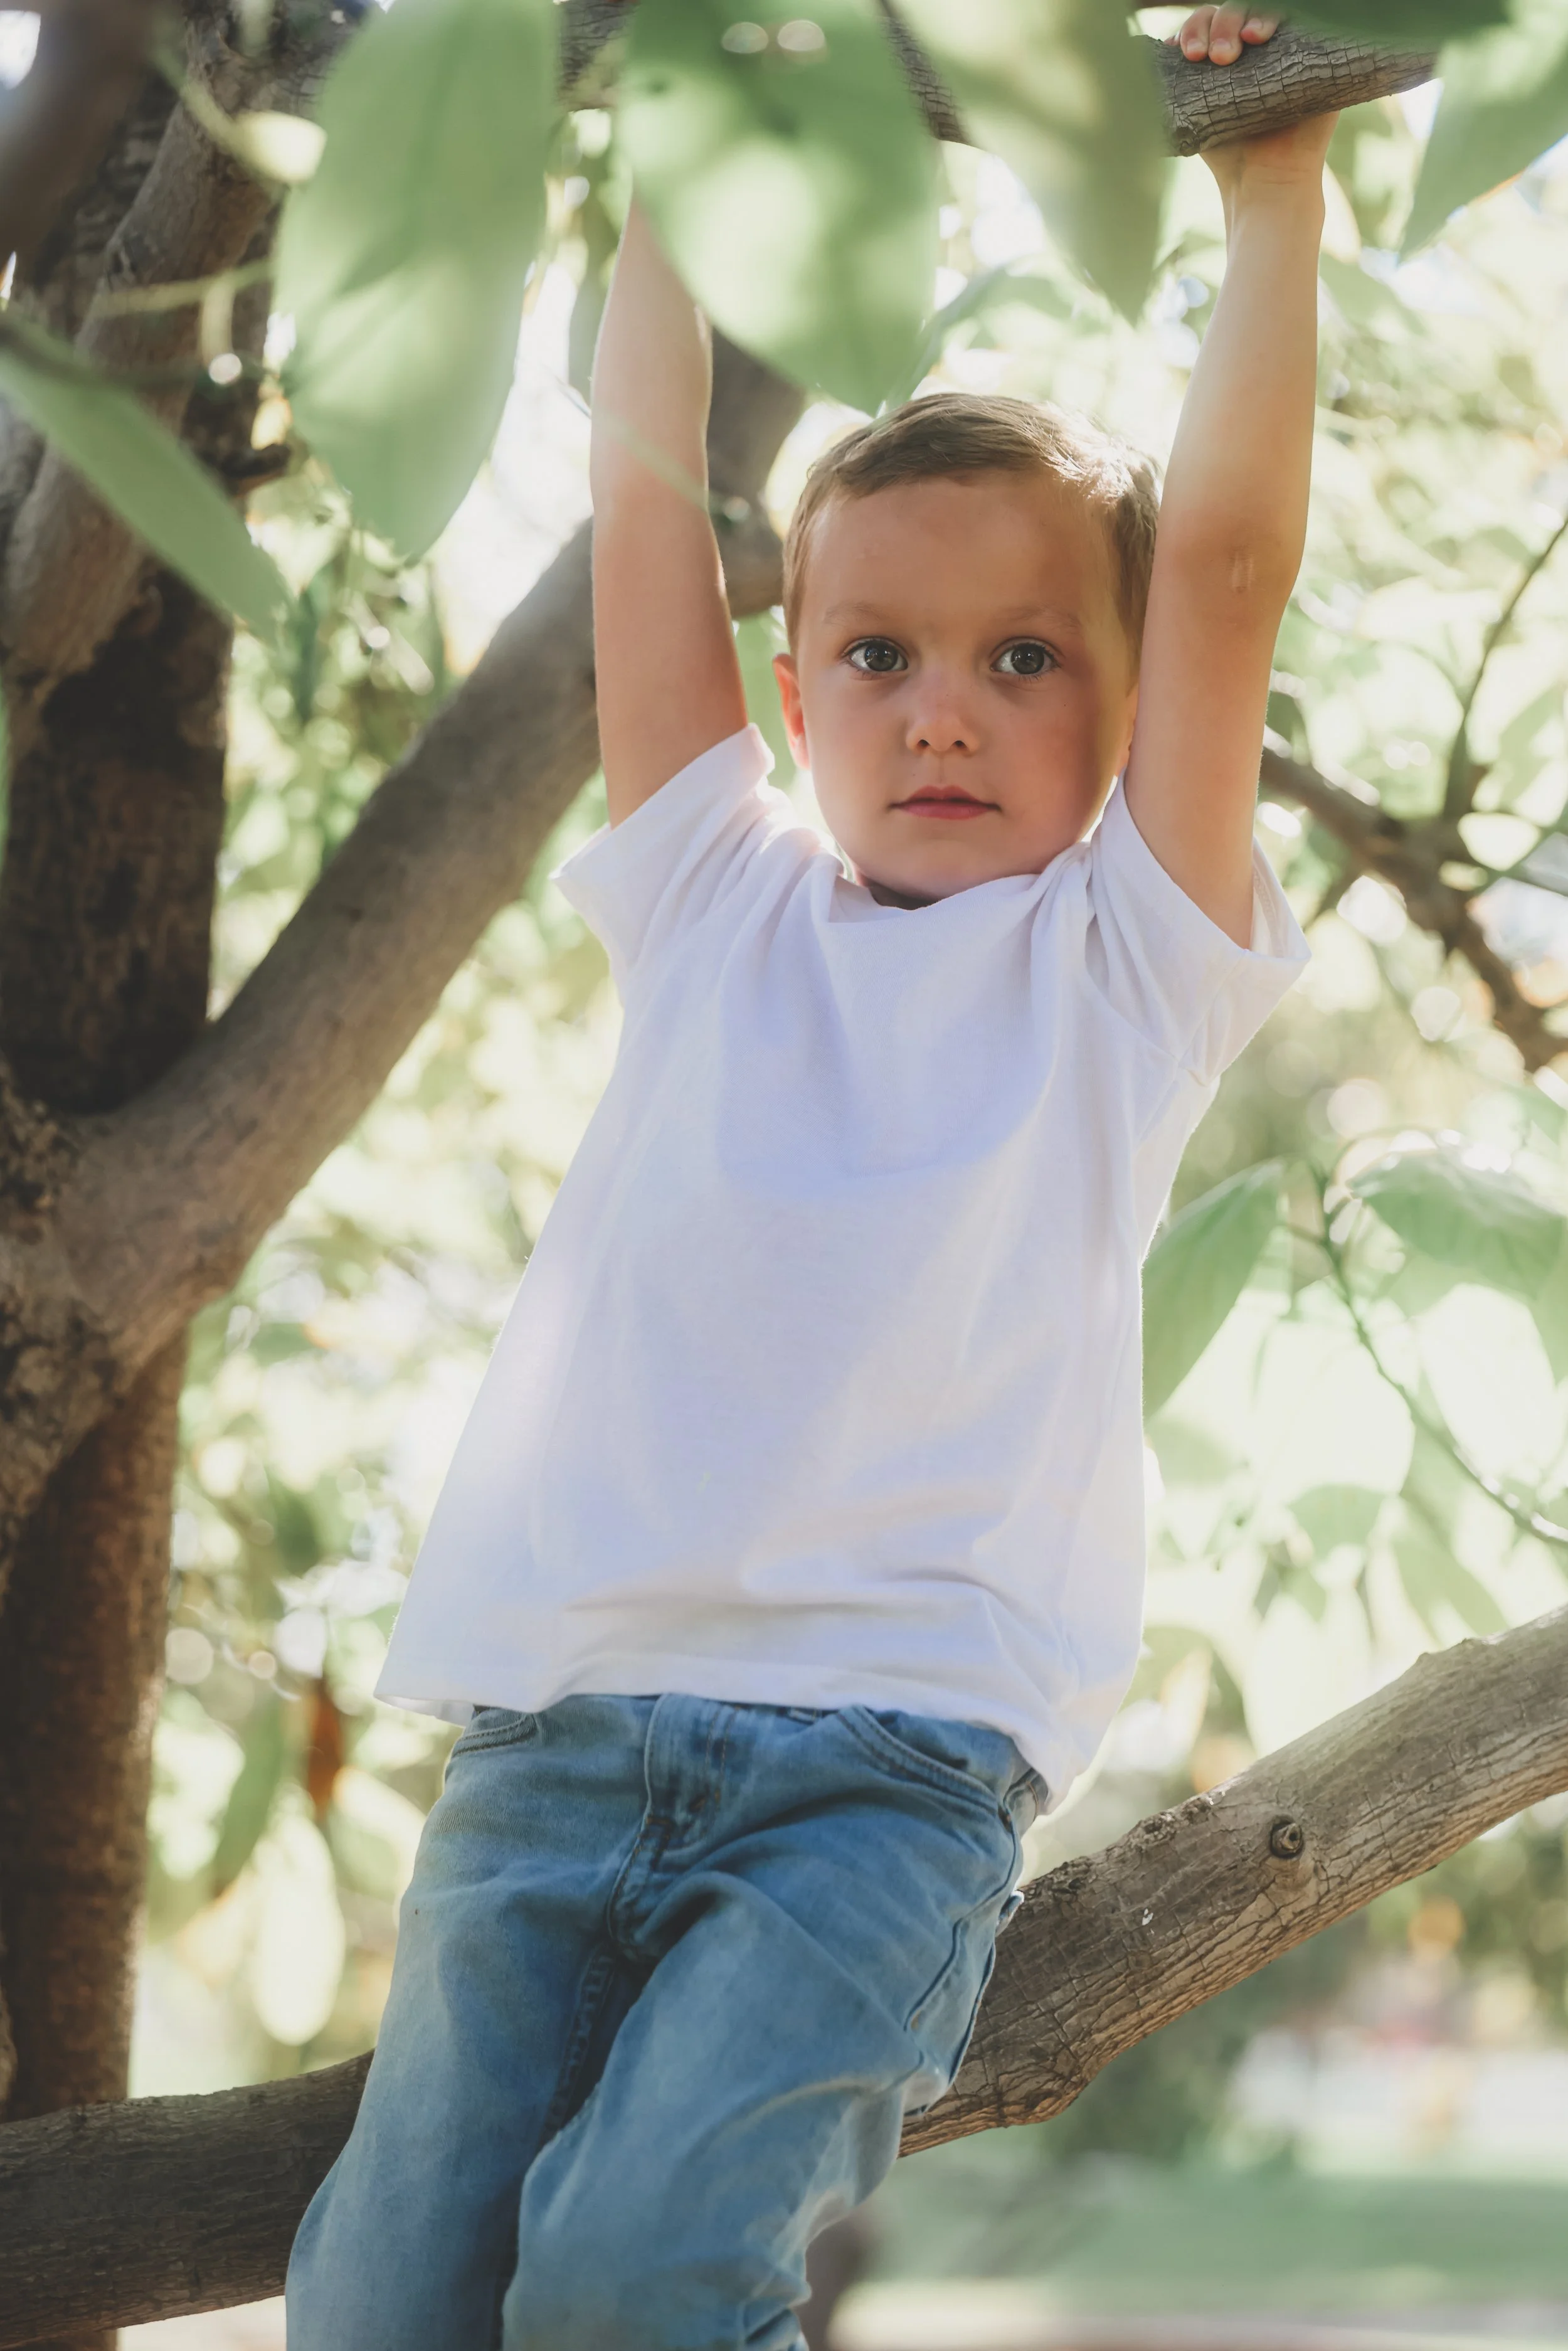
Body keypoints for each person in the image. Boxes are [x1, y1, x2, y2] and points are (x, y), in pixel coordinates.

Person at [287, 7, 1320, 2343]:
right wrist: (678, 149)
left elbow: (1234, 552)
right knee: (382, 2307)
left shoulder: (1119, 963)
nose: (941, 704)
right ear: (789, 692)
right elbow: (641, 490)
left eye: (1024, 654)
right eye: (878, 652)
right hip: (555, 1733)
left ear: (1127, 699)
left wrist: (1271, 192)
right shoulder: (716, 898)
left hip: (878, 1763)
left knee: (643, 2270)